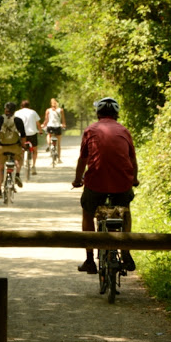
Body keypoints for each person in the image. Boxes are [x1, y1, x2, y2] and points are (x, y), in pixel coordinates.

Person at [72, 97, 139, 274]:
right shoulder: (124, 130)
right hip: (122, 182)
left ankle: (89, 259)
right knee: (125, 210)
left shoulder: (91, 130)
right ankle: (125, 252)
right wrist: (134, 179)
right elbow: (132, 160)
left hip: (96, 182)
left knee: (88, 213)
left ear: (98, 113)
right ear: (116, 114)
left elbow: (83, 159)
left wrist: (78, 180)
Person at [0, 102, 27, 198]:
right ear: (14, 110)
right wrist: (23, 145)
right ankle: (17, 174)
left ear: (5, 109)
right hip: (15, 147)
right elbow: (23, 135)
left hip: (2, 147)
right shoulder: (18, 120)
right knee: (19, 159)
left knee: (0, 168)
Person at [14, 100, 43, 175]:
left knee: (21, 150)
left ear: (21, 106)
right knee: (34, 150)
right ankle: (33, 166)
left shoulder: (17, 113)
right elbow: (38, 124)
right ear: (29, 106)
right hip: (32, 134)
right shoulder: (33, 112)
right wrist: (40, 131)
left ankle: (20, 165)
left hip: (21, 134)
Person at [41, 98, 66, 162]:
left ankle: (49, 145)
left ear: (51, 104)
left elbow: (46, 120)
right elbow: (63, 119)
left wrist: (43, 125)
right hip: (58, 126)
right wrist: (63, 124)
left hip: (50, 126)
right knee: (59, 144)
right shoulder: (61, 110)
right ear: (57, 103)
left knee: (48, 135)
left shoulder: (48, 110)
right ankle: (59, 159)